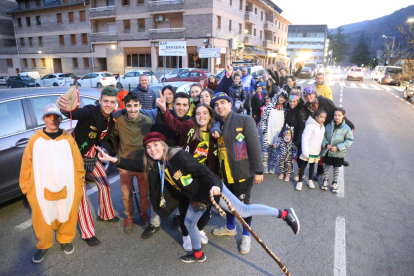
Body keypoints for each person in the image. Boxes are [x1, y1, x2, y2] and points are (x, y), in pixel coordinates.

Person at [96, 132, 300, 263]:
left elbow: (204, 172)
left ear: (162, 144)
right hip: (196, 198)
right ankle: (198, 254)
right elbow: (135, 165)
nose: (152, 150)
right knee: (189, 223)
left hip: (211, 190)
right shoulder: (154, 162)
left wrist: (213, 188)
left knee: (242, 211)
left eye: (155, 146)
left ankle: (284, 213)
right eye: (149, 148)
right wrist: (113, 159)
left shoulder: (177, 156)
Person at [20, 104, 84, 263]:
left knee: (67, 212)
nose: (53, 120)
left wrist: (80, 182)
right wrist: (26, 187)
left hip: (67, 185)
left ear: (61, 119)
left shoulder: (68, 139)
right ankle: (44, 244)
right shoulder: (35, 140)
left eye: (56, 116)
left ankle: (65, 239)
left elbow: (78, 162)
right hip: (41, 187)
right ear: (44, 119)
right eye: (49, 116)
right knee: (42, 217)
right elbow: (26, 164)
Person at [56, 87, 119, 247]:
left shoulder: (111, 120)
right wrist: (64, 107)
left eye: (112, 102)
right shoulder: (90, 110)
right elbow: (74, 113)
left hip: (91, 155)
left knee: (104, 183)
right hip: (74, 157)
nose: (108, 105)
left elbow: (99, 138)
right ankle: (87, 233)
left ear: (115, 103)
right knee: (82, 195)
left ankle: (105, 214)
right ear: (100, 101)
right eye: (105, 101)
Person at [157, 92, 217, 251]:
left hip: (204, 178)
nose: (201, 116)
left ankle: (198, 229)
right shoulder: (189, 126)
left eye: (205, 113)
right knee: (184, 208)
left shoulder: (214, 134)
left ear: (210, 116)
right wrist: (164, 110)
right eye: (198, 113)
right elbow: (174, 124)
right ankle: (186, 235)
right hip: (185, 176)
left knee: (205, 211)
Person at [210, 92, 264, 255]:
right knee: (227, 202)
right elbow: (214, 124)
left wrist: (259, 170)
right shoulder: (219, 122)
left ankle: (247, 236)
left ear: (230, 104)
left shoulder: (244, 120)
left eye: (223, 103)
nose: (220, 106)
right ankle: (230, 227)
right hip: (224, 174)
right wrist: (215, 127)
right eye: (216, 104)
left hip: (241, 173)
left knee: (243, 207)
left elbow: (255, 146)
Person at [112, 93, 152, 233]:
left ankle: (144, 213)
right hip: (124, 163)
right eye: (129, 106)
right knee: (126, 194)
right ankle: (128, 216)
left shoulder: (148, 121)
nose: (133, 109)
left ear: (140, 106)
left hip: (142, 163)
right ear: (125, 106)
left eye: (136, 105)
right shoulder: (119, 121)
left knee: (144, 193)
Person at [300, 87, 355, 181]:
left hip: (330, 126)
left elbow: (336, 111)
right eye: (306, 96)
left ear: (314, 94)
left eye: (310, 95)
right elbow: (304, 117)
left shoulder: (324, 101)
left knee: (335, 145)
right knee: (322, 150)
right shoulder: (306, 107)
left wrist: (348, 124)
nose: (308, 97)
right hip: (319, 128)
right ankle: (320, 171)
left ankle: (340, 161)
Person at [321, 108, 354, 193]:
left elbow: (349, 140)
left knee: (336, 168)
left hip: (339, 153)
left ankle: (335, 183)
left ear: (343, 116)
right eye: (335, 115)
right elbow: (323, 137)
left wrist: (338, 147)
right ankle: (325, 180)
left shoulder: (346, 128)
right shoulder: (328, 126)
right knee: (327, 166)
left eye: (339, 115)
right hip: (328, 151)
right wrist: (325, 144)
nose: (337, 117)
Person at [296, 110, 326, 191]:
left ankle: (310, 180)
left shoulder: (322, 127)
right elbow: (305, 139)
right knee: (303, 166)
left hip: (315, 151)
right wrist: (305, 152)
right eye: (321, 117)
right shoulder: (310, 126)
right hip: (308, 151)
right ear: (316, 117)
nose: (323, 119)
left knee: (312, 166)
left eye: (324, 118)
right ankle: (299, 182)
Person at [261, 89, 288, 174]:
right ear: (277, 96)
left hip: (278, 133)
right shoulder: (269, 106)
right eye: (281, 97)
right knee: (265, 150)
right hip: (268, 131)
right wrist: (263, 131)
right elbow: (264, 119)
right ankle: (264, 165)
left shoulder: (284, 110)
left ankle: (272, 165)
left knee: (275, 150)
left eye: (284, 98)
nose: (282, 99)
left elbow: (284, 122)